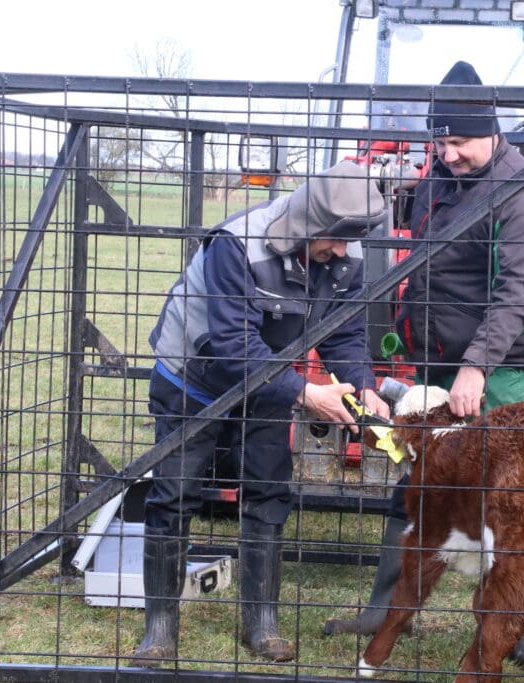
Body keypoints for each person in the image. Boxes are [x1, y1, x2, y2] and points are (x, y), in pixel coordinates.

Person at [322, 61, 524, 669]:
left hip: (499, 368)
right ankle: (384, 611)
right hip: (434, 361)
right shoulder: (436, 182)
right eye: (440, 141)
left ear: (491, 131)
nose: (447, 154)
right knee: (417, 491)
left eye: (459, 142)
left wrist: (477, 368)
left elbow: (515, 293)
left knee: (513, 500)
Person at [132, 161, 391, 666]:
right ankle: (159, 629)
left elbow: (344, 332)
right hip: (196, 377)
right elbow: (232, 344)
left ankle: (261, 623)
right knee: (175, 494)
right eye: (334, 240)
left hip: (267, 384)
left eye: (349, 241)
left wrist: (363, 387)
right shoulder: (236, 244)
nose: (342, 251)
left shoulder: (346, 250)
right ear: (307, 221)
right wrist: (305, 392)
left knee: (269, 492)